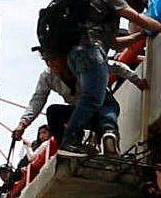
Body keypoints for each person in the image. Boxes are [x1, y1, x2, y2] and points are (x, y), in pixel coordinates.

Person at [60, 0, 161, 156]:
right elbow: (136, 17)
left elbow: (114, 43)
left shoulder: (101, 15)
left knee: (103, 100)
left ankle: (90, 138)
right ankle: (70, 140)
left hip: (80, 55)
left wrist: (141, 35)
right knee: (92, 99)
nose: (136, 8)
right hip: (90, 51)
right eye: (135, 4)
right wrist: (160, 27)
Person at [17, 48, 146, 154]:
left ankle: (109, 133)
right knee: (53, 111)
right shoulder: (47, 76)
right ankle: (71, 146)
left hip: (100, 111)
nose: (52, 64)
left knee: (105, 99)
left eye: (55, 59)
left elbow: (115, 66)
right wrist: (23, 123)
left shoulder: (84, 62)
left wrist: (135, 79)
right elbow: (37, 99)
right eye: (48, 61)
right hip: (81, 115)